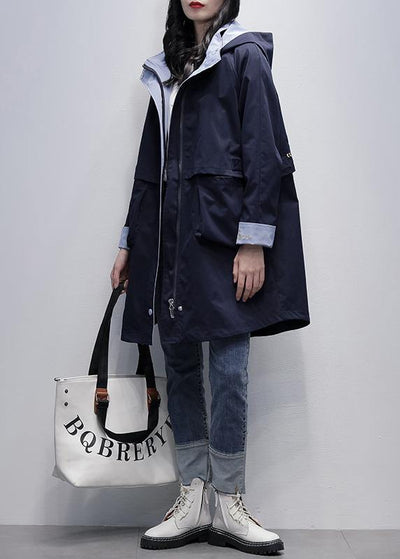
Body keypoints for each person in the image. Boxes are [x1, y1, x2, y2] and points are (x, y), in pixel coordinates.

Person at [110, 0, 310, 554]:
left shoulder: (244, 57)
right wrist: (130, 242)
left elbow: (265, 153)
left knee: (228, 368)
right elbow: (149, 166)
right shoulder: (167, 68)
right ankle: (193, 496)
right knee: (179, 362)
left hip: (223, 241)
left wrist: (254, 241)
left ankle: (228, 499)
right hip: (170, 240)